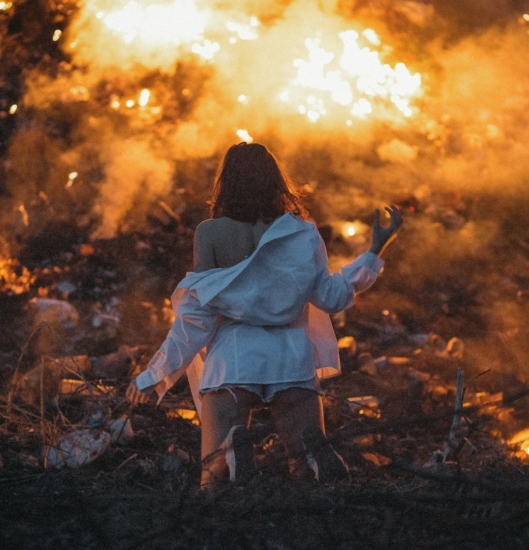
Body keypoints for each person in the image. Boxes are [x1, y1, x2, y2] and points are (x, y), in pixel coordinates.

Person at [126, 142, 402, 487]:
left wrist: (154, 375)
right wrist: (374, 251)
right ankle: (313, 464)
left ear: (225, 183)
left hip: (234, 360)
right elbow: (332, 296)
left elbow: (197, 318)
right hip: (292, 360)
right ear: (275, 182)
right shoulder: (302, 232)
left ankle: (230, 455)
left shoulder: (210, 233)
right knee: (304, 471)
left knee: (212, 481)